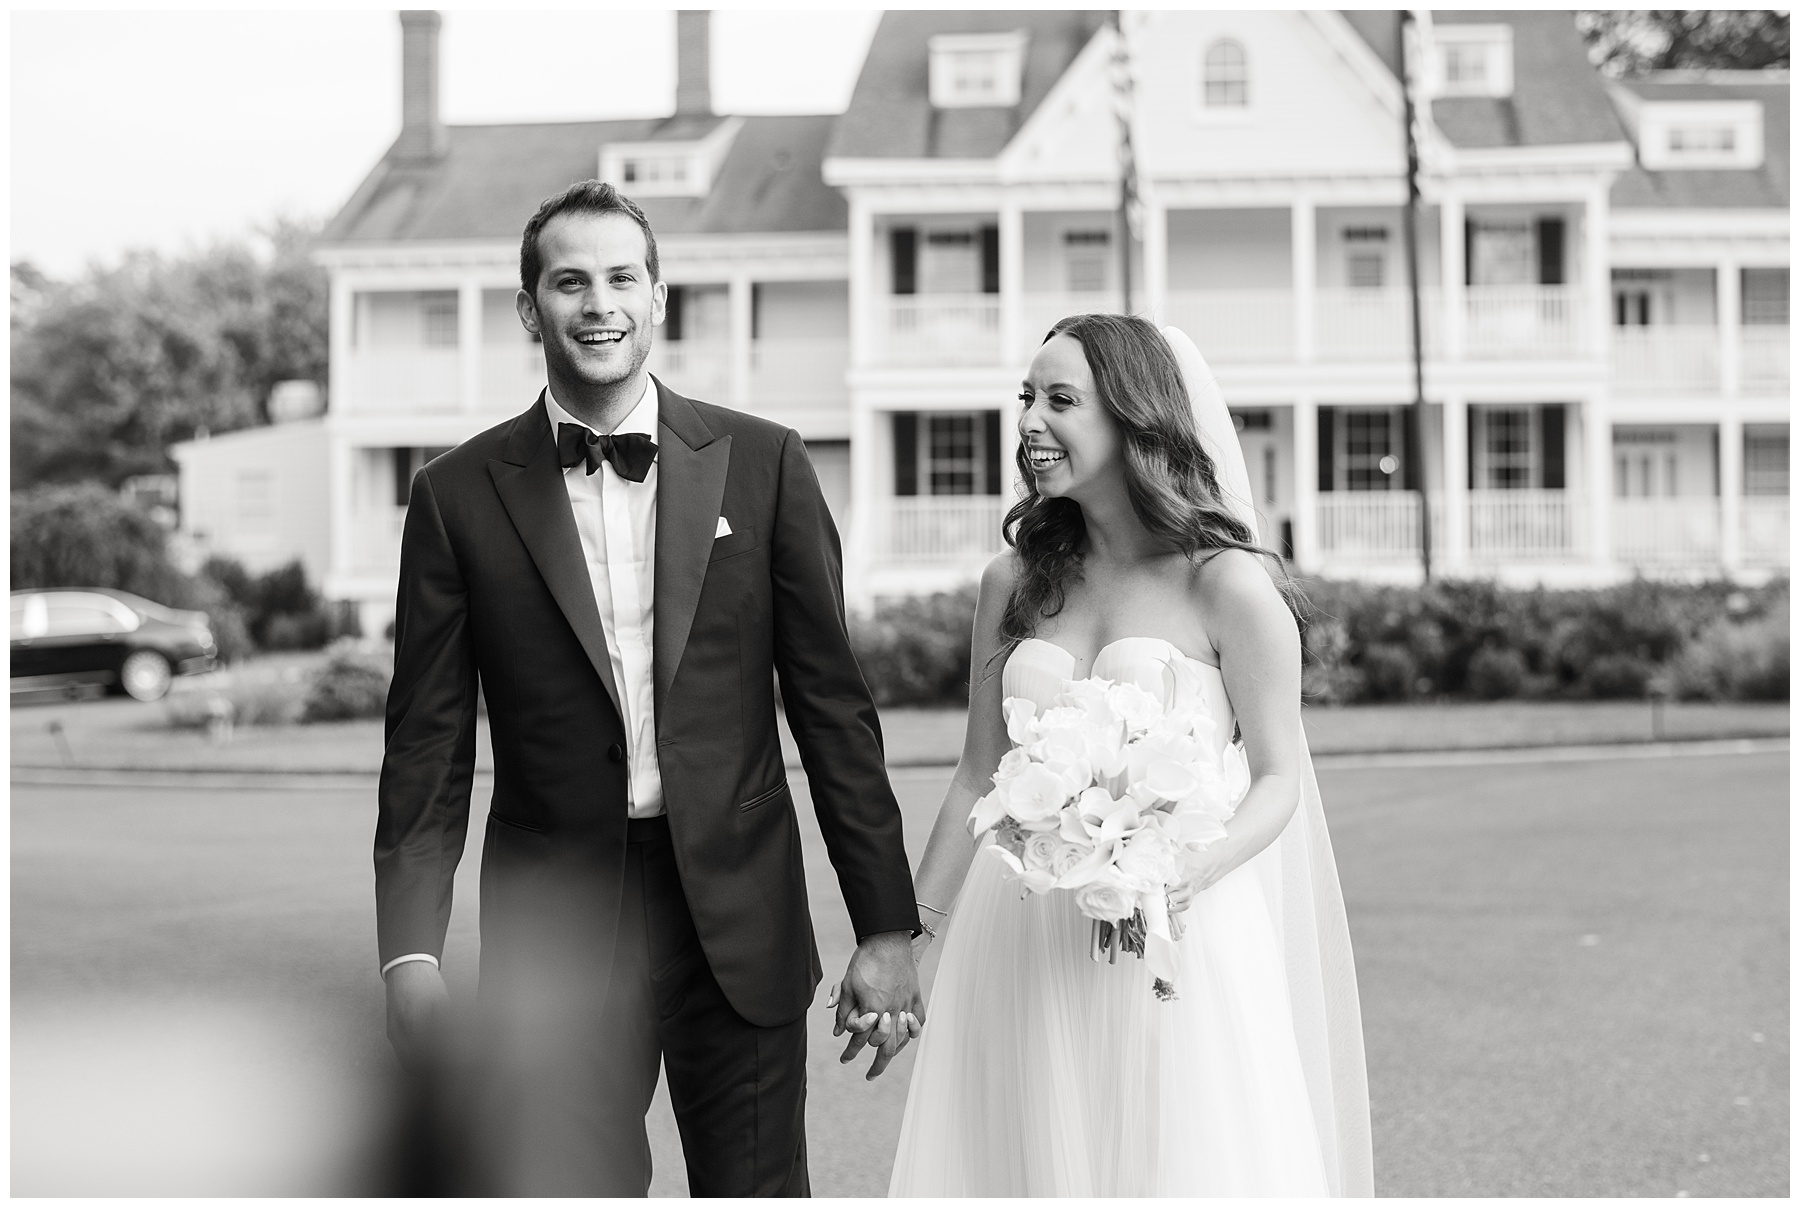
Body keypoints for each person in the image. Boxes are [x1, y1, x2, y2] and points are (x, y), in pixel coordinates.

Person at [373, 180, 923, 1196]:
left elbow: (833, 710)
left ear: (658, 297)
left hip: (738, 908)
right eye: (570, 281)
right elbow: (427, 743)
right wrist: (409, 952)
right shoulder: (453, 496)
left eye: (623, 276)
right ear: (531, 308)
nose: (599, 303)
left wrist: (885, 927)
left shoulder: (765, 463)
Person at [887, 314, 1372, 1196]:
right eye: (1025, 398)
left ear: (1132, 418)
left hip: (1180, 931)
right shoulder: (1014, 581)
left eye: (1060, 400)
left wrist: (1189, 867)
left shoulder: (1227, 583)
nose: (1030, 421)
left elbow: (1276, 779)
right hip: (1021, 930)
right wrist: (912, 944)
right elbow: (975, 776)